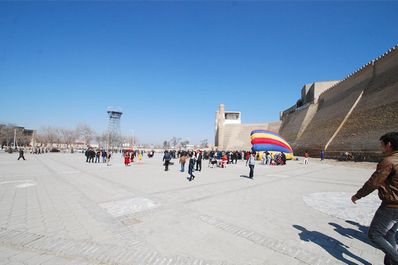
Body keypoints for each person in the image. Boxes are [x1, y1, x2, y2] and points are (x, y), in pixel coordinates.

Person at [351, 132, 398, 265]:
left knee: (375, 235)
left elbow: (374, 183)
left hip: (392, 206)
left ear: (388, 145)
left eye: (381, 144)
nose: (380, 147)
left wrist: (357, 195)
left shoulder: (388, 161)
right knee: (390, 235)